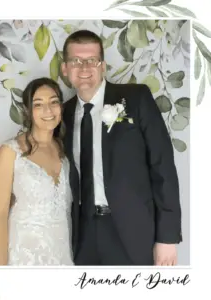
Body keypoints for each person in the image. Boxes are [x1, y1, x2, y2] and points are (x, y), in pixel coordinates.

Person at [61, 29, 182, 266]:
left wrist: (167, 238)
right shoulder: (61, 114)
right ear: (65, 69)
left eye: (92, 60)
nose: (84, 68)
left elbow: (163, 166)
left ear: (102, 66)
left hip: (133, 231)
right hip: (81, 235)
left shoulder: (135, 98)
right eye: (76, 61)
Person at [0, 77, 74, 266]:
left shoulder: (65, 152)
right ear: (28, 111)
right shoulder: (10, 152)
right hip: (24, 258)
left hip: (62, 258)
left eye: (54, 102)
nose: (48, 110)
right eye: (38, 104)